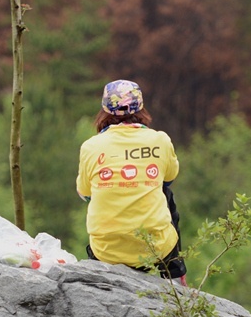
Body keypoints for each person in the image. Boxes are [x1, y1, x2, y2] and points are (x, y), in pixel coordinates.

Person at [75, 79, 186, 282]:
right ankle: (176, 274)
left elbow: (85, 193)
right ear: (141, 107)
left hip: (106, 252)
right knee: (165, 193)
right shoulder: (159, 140)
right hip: (155, 249)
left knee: (99, 196)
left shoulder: (91, 146)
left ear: (104, 110)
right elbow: (169, 178)